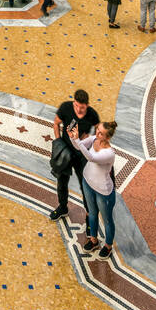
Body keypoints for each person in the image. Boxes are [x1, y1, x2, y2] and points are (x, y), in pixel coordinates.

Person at [50, 89, 99, 222]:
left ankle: (90, 216)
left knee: (85, 186)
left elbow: (99, 128)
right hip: (66, 152)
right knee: (62, 182)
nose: (78, 109)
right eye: (76, 105)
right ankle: (63, 207)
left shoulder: (92, 114)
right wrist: (59, 141)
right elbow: (56, 123)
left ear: (87, 105)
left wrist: (92, 137)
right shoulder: (66, 107)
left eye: (82, 107)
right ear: (74, 102)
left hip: (81, 155)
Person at [71, 119, 118, 259]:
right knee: (91, 213)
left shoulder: (110, 153)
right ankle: (93, 240)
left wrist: (78, 140)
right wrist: (73, 136)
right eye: (97, 129)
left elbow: (91, 157)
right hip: (88, 183)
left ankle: (108, 246)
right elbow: (79, 147)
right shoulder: (93, 139)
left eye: (101, 133)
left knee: (107, 220)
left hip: (103, 191)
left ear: (108, 137)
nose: (97, 133)